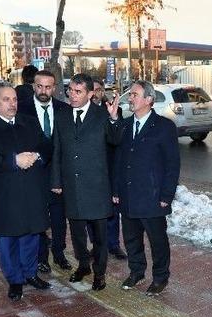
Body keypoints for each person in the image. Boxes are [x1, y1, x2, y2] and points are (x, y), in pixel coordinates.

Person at [0, 83, 51, 302]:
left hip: (32, 190)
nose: (12, 104)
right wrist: (13, 161)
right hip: (5, 193)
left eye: (14, 99)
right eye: (6, 100)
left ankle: (30, 273)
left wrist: (36, 156)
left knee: (32, 235)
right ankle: (15, 280)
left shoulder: (29, 121)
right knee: (8, 239)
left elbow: (47, 145)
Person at [50, 73, 121, 290]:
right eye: (70, 90)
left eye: (78, 91)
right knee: (78, 234)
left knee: (100, 237)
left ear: (91, 94)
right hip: (72, 186)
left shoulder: (103, 115)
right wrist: (56, 180)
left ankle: (99, 273)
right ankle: (83, 265)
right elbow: (57, 150)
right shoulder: (61, 115)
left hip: (97, 188)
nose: (72, 95)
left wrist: (113, 119)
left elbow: (116, 140)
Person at [113, 81, 180, 295]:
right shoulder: (123, 125)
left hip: (152, 196)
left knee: (157, 240)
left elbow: (172, 164)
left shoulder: (164, 126)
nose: (130, 98)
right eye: (130, 94)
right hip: (128, 195)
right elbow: (117, 160)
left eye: (134, 94)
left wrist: (167, 195)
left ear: (149, 99)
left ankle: (160, 277)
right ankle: (136, 272)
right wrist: (115, 190)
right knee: (132, 239)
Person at [17, 70, 70, 273]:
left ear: (54, 88)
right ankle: (41, 257)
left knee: (59, 218)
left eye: (48, 87)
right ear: (33, 86)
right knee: (38, 218)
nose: (43, 91)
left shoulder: (64, 109)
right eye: (39, 86)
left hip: (58, 175)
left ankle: (59, 253)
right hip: (32, 173)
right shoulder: (22, 110)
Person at [90, 77, 126, 260]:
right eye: (93, 89)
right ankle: (96, 245)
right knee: (90, 210)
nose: (96, 93)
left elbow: (118, 136)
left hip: (109, 166)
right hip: (90, 169)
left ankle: (113, 244)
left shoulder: (114, 109)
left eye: (99, 90)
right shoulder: (79, 111)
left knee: (112, 208)